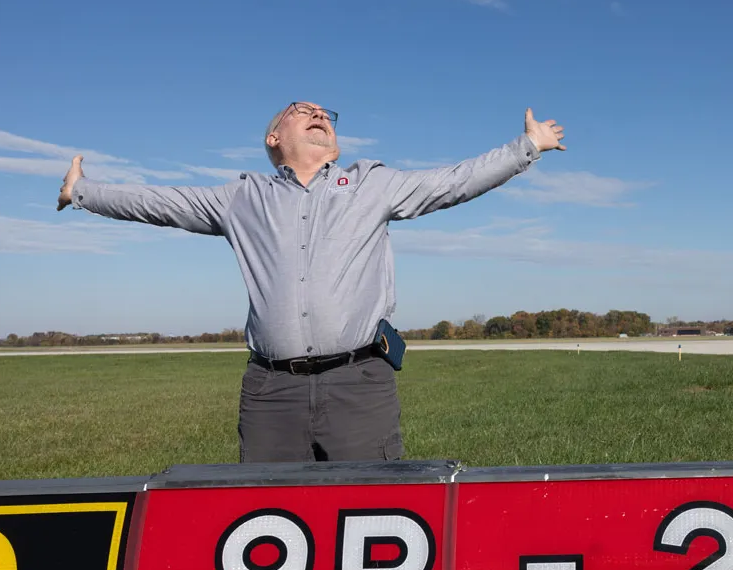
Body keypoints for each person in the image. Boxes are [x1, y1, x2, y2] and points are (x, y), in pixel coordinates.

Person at [58, 102, 566, 463]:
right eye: (304, 110)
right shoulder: (242, 198)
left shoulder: (372, 183)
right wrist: (82, 192)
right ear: (274, 138)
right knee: (267, 515)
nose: (320, 114)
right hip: (270, 390)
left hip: (358, 385)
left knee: (369, 512)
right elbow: (156, 203)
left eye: (327, 114)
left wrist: (527, 147)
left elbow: (454, 181)